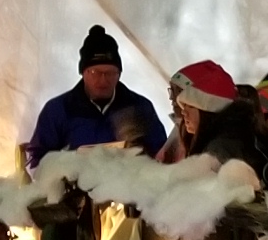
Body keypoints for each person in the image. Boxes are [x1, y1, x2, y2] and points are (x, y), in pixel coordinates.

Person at [26, 26, 167, 165]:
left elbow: (162, 156)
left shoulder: (139, 108)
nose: (103, 80)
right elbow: (36, 161)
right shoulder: (58, 110)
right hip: (75, 186)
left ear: (119, 75)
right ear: (83, 73)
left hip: (127, 186)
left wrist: (140, 152)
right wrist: (64, 168)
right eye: (95, 72)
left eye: (110, 73)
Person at [158, 60, 267, 169]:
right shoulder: (219, 140)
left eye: (190, 106)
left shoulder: (221, 150)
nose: (172, 98)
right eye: (171, 91)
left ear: (206, 110)